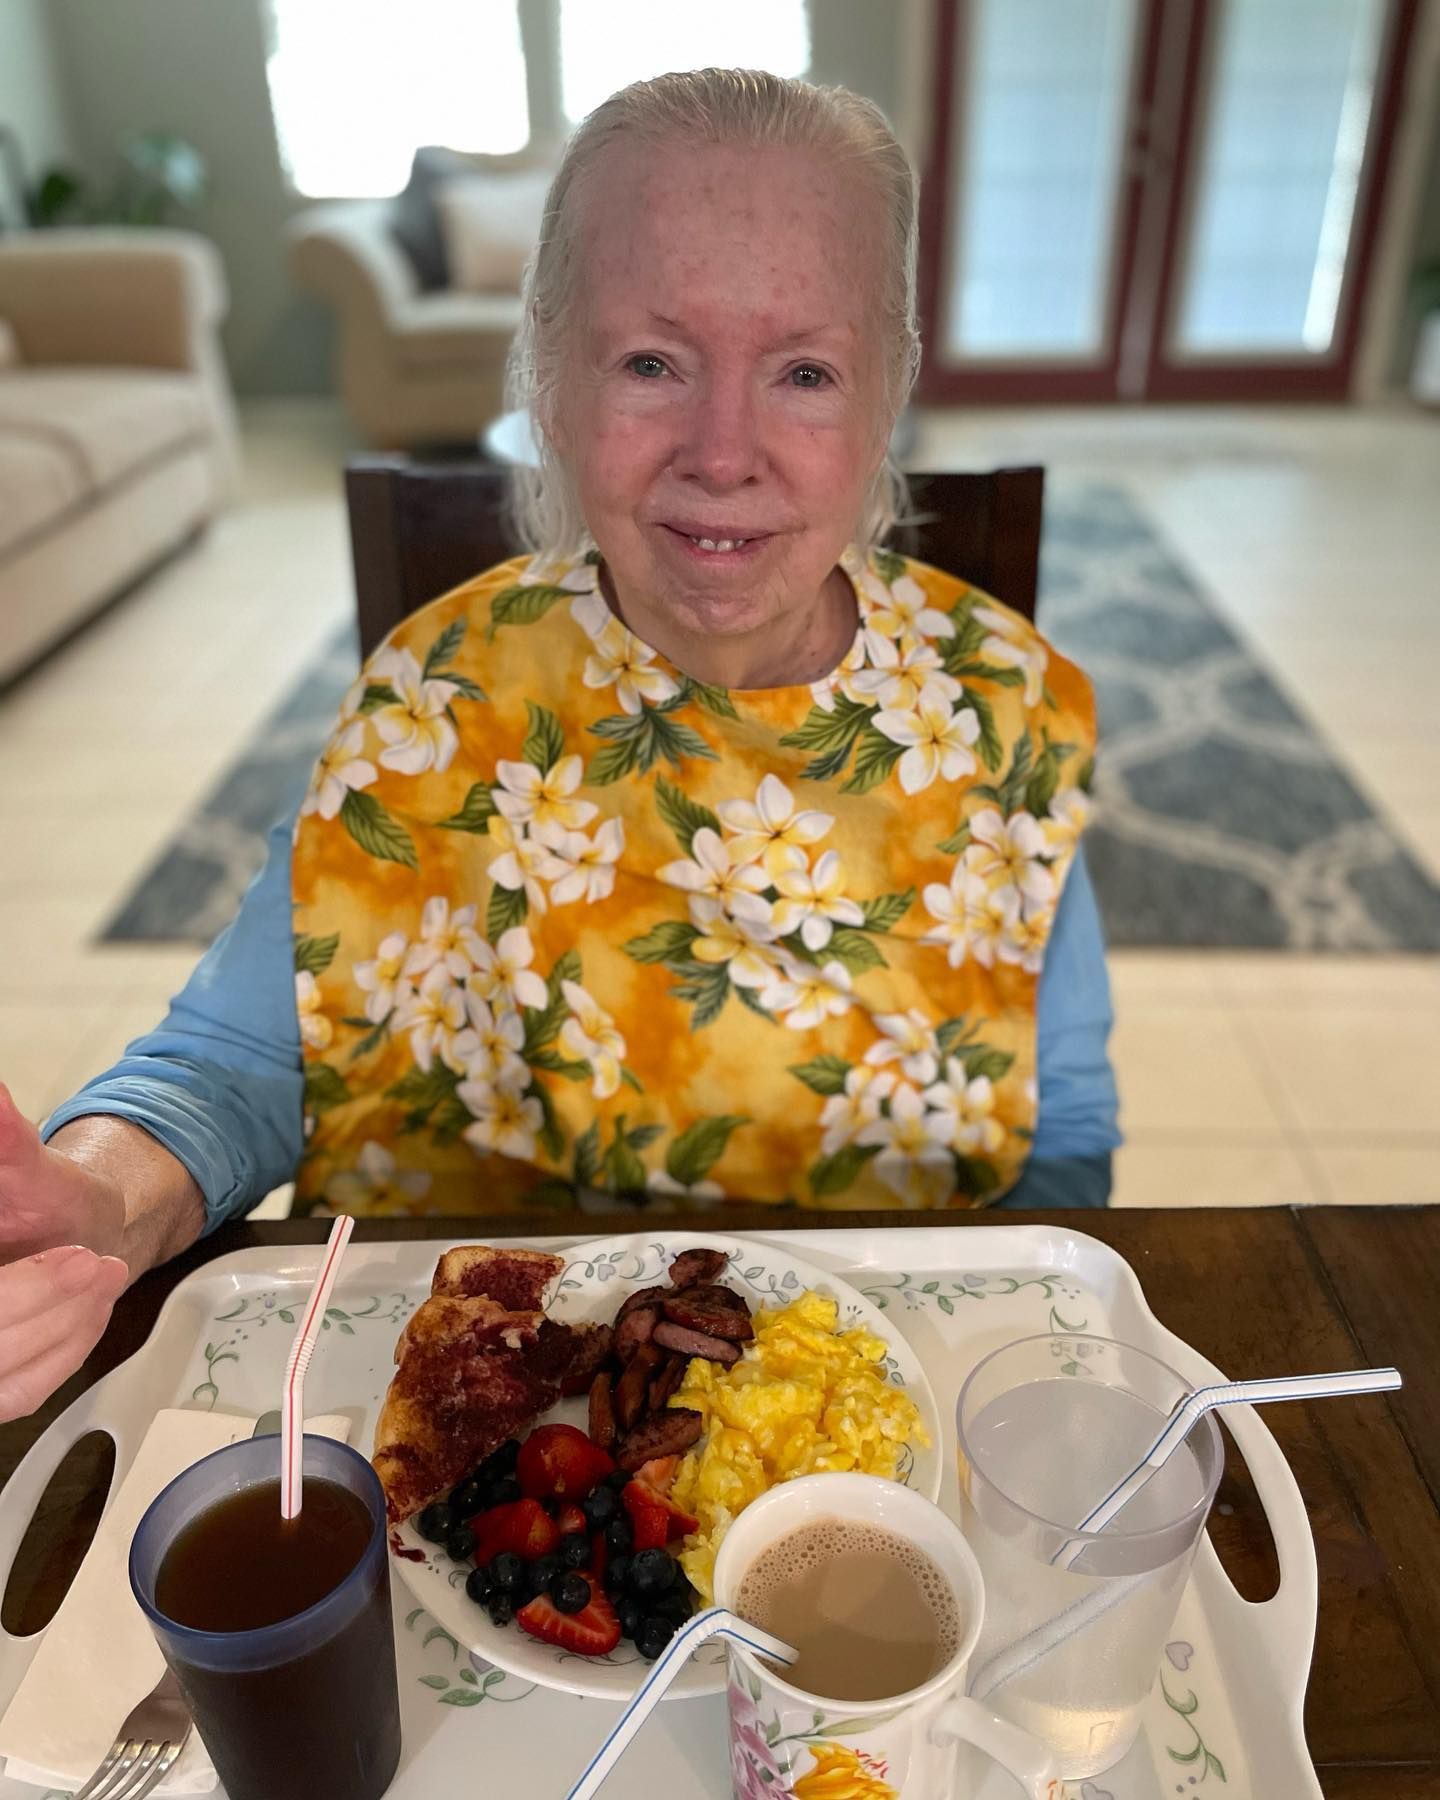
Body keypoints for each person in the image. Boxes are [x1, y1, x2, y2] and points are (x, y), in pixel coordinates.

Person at [0, 70, 1119, 1423]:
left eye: (805, 372)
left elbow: (1057, 1141)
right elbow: (235, 1066)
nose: (723, 452)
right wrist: (98, 1206)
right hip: (479, 1420)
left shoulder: (995, 713)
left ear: (891, 389)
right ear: (553, 375)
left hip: (862, 1411)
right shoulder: (440, 700)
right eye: (652, 362)